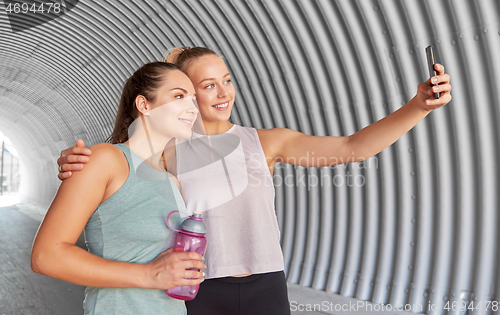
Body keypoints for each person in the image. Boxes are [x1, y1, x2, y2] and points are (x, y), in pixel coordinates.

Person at [56, 47, 452, 315]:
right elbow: (115, 171)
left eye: (226, 79)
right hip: (199, 289)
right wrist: (74, 162)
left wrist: (418, 106)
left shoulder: (265, 142)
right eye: (207, 85)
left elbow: (352, 148)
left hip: (266, 286)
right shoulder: (166, 150)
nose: (223, 92)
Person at [31, 61, 205, 315]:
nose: (192, 108)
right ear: (144, 105)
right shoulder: (106, 160)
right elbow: (46, 256)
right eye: (179, 96)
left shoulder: (171, 181)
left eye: (193, 100)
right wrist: (150, 274)